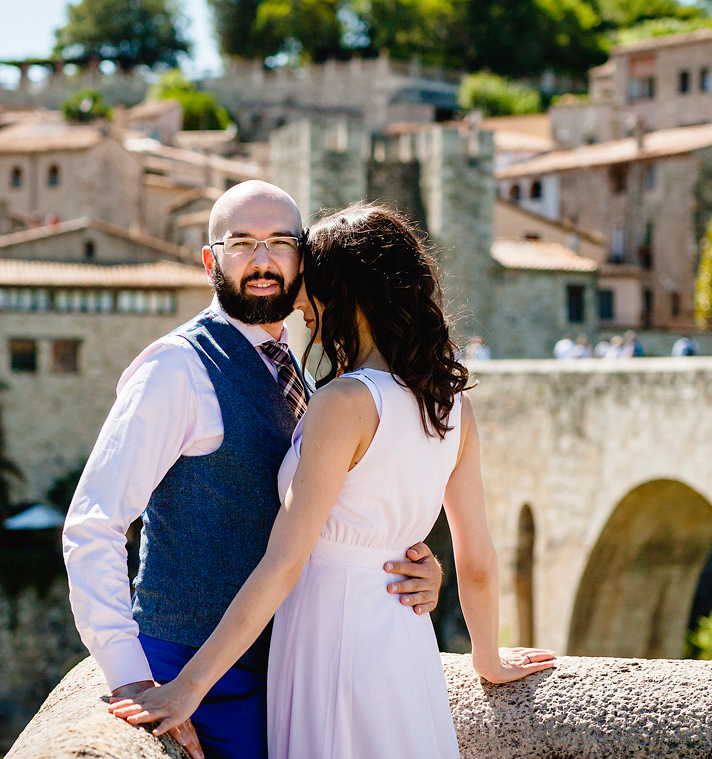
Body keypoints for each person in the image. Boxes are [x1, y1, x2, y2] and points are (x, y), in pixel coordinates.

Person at [118, 204, 557, 757]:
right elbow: (477, 559)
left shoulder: (342, 402)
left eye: (312, 289)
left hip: (331, 637)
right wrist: (487, 658)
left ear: (346, 295)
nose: (300, 305)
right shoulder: (452, 406)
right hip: (403, 638)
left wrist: (188, 687)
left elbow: (285, 561)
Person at [62, 182, 443, 759]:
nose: (263, 261)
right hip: (195, 673)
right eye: (241, 244)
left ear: (303, 261)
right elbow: (94, 522)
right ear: (210, 261)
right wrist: (129, 676)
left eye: (280, 243)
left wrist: (414, 566)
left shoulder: (309, 376)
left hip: (296, 667)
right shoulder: (176, 367)